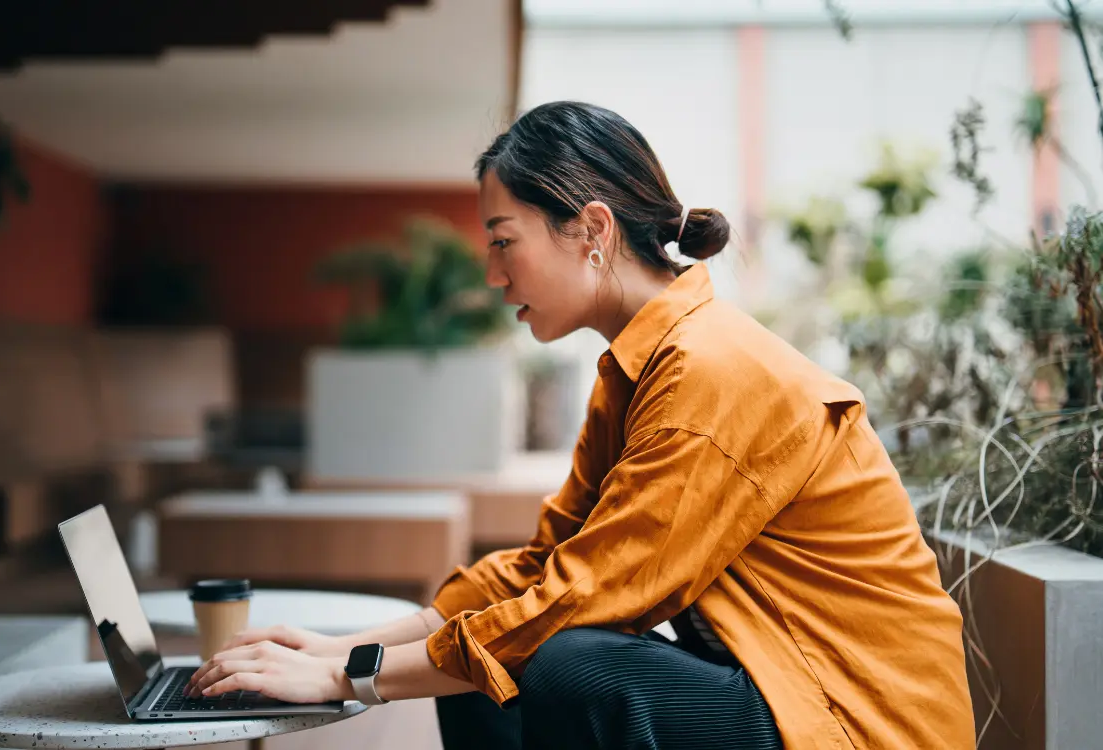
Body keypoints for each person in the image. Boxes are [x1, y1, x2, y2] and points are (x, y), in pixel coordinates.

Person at [183, 101, 976, 749]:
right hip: (777, 685)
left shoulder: (711, 368)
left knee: (560, 662)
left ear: (591, 230)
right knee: (490, 658)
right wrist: (342, 648)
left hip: (855, 720)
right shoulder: (638, 369)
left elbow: (583, 600)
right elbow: (545, 563)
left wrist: (346, 679)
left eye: (503, 243)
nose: (493, 276)